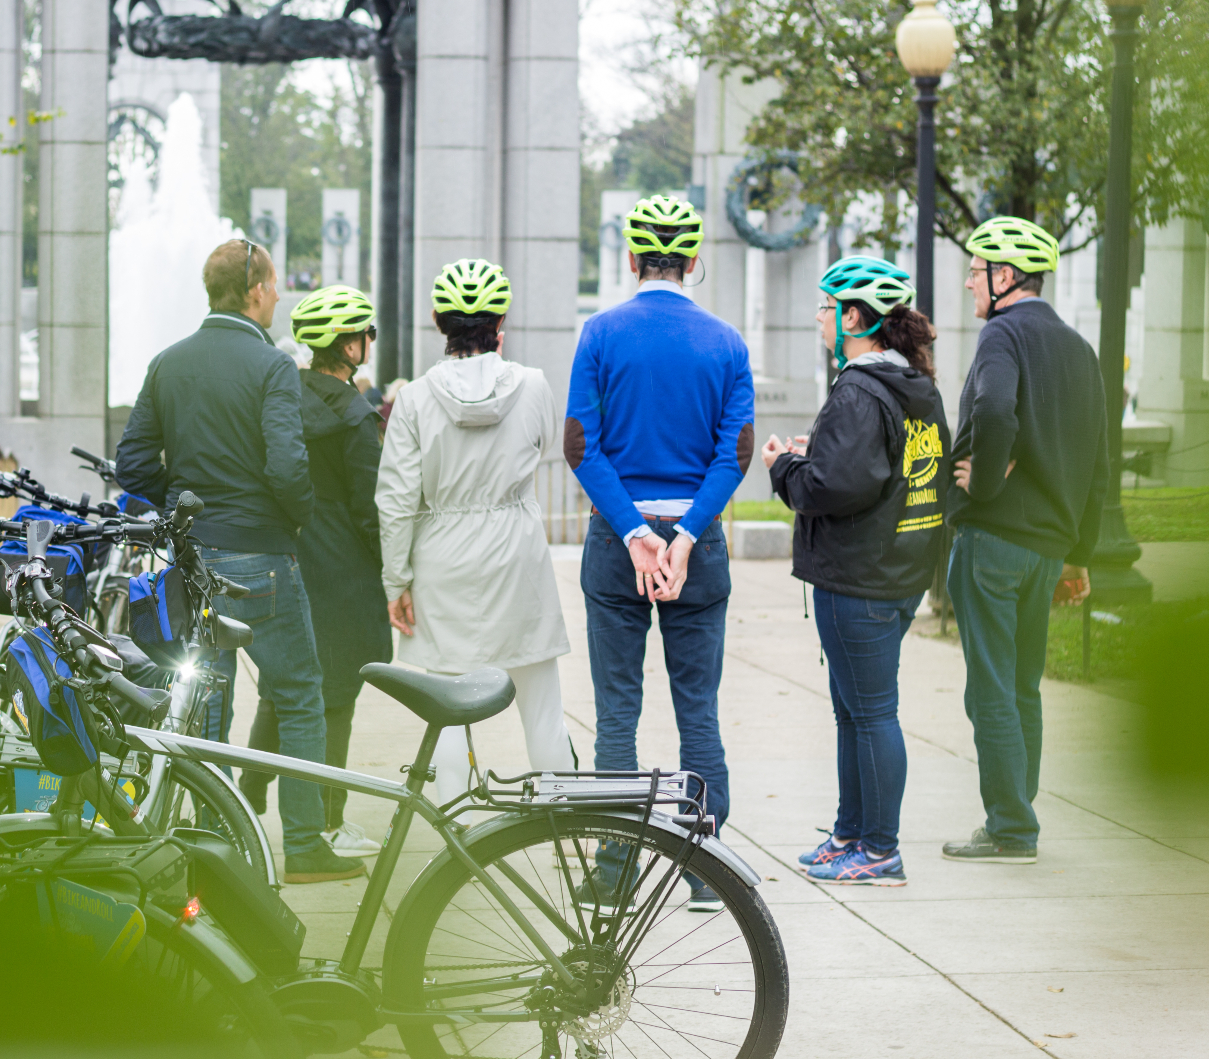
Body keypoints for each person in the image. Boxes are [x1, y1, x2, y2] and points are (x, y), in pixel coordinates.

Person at [116, 238, 362, 884]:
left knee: (210, 706)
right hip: (262, 557)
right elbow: (286, 464)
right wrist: (299, 514)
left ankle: (215, 844)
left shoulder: (167, 363)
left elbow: (133, 464)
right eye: (275, 284)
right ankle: (305, 847)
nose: (280, 295)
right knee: (301, 696)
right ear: (255, 289)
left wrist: (184, 501)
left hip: (194, 560)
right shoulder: (271, 366)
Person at [564, 194, 754, 910]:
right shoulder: (727, 343)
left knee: (617, 711)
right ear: (695, 260)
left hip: (618, 546)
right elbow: (733, 455)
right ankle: (707, 872)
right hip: (695, 548)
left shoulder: (601, 333)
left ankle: (613, 871)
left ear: (633, 257)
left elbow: (582, 447)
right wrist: (681, 535)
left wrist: (637, 534)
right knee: (696, 709)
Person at [765, 257, 951, 887]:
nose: (819, 318)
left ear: (854, 318)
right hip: (896, 571)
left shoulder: (858, 390)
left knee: (871, 713)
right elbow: (884, 472)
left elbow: (832, 486)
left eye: (825, 307)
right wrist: (813, 457)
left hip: (860, 578)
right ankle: (851, 834)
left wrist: (783, 468)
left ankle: (880, 850)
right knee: (854, 712)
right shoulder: (912, 385)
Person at [375, 259, 573, 807]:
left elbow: (395, 499)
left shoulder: (413, 398)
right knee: (542, 705)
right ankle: (564, 818)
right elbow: (544, 448)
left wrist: (397, 580)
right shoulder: (533, 386)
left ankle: (455, 830)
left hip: (442, 557)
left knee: (446, 701)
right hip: (517, 552)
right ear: (500, 319)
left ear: (439, 321)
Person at [943, 217, 1105, 865]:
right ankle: (1019, 813)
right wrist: (1081, 553)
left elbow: (992, 410)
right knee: (1022, 685)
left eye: (978, 270)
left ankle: (1010, 825)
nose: (969, 281)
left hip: (996, 540)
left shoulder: (1002, 332)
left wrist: (981, 484)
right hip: (1047, 548)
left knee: (989, 687)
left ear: (1005, 277)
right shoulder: (1078, 348)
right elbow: (1099, 458)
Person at [237, 286, 393, 855]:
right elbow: (369, 507)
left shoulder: (284, 395)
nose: (370, 342)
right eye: (366, 334)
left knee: (286, 683)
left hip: (291, 556)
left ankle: (249, 793)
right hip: (346, 569)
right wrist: (392, 573)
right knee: (338, 697)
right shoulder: (356, 417)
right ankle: (329, 820)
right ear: (349, 345)